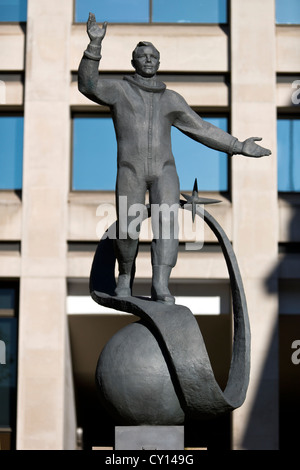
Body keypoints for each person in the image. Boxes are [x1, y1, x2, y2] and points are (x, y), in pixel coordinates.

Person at [78, 13, 271, 304]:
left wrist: (238, 145)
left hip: (164, 171)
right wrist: (94, 47)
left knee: (167, 225)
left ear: (159, 63)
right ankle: (125, 275)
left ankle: (160, 284)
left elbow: (201, 128)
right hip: (130, 170)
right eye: (142, 56)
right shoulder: (119, 90)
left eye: (153, 57)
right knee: (128, 228)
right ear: (133, 63)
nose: (148, 60)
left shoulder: (171, 99)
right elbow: (88, 86)